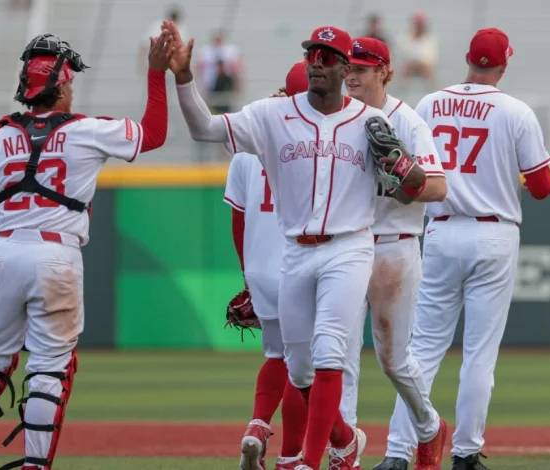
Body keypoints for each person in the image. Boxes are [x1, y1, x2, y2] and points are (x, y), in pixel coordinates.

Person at [165, 20, 426, 470]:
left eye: (327, 58)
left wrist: (401, 163)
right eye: (312, 55)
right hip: (296, 252)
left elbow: (415, 187)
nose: (317, 63)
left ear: (346, 69)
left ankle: (307, 461)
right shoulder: (272, 115)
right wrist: (184, 79)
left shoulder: (370, 122)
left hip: (349, 248)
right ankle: (344, 443)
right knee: (300, 368)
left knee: (328, 355)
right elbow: (203, 129)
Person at [0, 31, 173, 470]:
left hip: (2, 256)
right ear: (60, 86)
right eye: (70, 82)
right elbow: (154, 133)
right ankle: (34, 465)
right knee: (48, 370)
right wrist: (156, 72)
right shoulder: (88, 131)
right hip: (56, 256)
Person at [377, 28, 550, 470]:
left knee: (419, 352)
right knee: (479, 353)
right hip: (494, 232)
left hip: (440, 228)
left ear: (467, 59)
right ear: (504, 63)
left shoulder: (430, 103)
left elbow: (409, 168)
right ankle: (466, 453)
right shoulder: (515, 111)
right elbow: (543, 187)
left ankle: (398, 452)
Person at [342, 37, 449, 470]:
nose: (352, 74)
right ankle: (342, 451)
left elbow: (438, 189)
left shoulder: (407, 121)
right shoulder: (338, 119)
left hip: (393, 247)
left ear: (385, 71)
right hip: (345, 246)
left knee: (393, 360)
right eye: (349, 66)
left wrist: (406, 170)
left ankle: (428, 426)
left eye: (363, 67)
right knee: (339, 356)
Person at [227, 62, 309, 470]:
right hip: (299, 266)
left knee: (276, 355)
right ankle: (291, 457)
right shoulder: (314, 141)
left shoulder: (249, 140)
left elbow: (238, 219)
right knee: (303, 369)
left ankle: (257, 427)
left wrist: (246, 273)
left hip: (259, 267)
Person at [398, 12, 438, 91]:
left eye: (420, 25)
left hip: (423, 65)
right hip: (410, 64)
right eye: (417, 25)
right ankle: (404, 88)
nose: (419, 27)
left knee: (428, 69)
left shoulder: (430, 38)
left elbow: (431, 56)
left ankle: (430, 89)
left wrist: (419, 61)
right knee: (406, 67)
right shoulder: (405, 36)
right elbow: (403, 53)